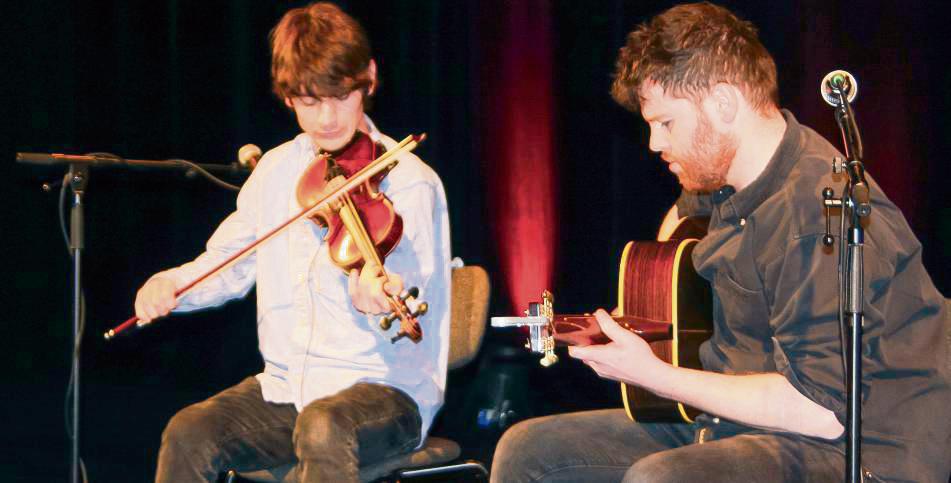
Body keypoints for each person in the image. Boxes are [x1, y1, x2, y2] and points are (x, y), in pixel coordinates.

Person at [491, 3, 950, 482]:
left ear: (724, 104)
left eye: (666, 123)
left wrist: (653, 374)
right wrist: (664, 271)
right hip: (741, 421)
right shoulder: (729, 177)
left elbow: (820, 409)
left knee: (662, 478)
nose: (652, 143)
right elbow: (684, 216)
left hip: (858, 447)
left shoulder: (815, 213)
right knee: (529, 451)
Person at [135, 3, 452, 482]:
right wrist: (173, 285)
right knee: (190, 431)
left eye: (341, 96)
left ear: (369, 76)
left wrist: (377, 290)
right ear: (287, 97)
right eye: (309, 101)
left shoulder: (409, 181)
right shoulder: (277, 171)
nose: (326, 118)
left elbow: (416, 289)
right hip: (288, 390)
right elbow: (229, 263)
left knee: (323, 426)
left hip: (388, 392)